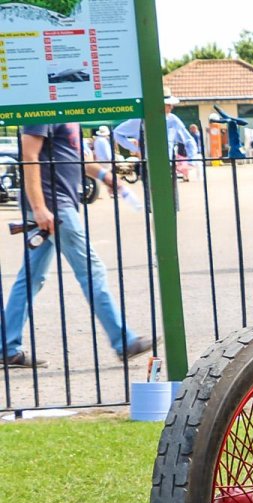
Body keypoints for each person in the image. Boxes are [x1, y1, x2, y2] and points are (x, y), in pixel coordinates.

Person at [2, 124, 152, 367]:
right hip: (54, 207)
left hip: (55, 206)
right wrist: (40, 208)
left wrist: (106, 177)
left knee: (31, 278)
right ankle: (124, 341)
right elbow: (29, 156)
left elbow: (75, 157)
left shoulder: (67, 111)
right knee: (92, 271)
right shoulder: (42, 109)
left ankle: (7, 347)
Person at [113, 88, 198, 162]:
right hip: (148, 165)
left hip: (168, 166)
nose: (171, 107)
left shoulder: (173, 120)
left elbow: (188, 140)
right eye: (168, 104)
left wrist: (192, 160)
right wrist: (135, 149)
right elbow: (117, 133)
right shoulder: (139, 120)